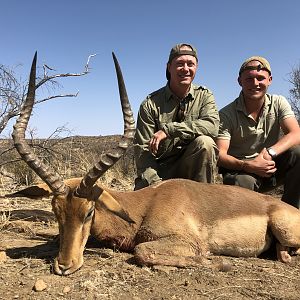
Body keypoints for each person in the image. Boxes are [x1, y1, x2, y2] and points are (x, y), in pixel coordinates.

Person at [217, 56, 300, 208]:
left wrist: (270, 153)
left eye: (260, 78)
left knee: (298, 153)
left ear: (270, 80)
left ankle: (292, 213)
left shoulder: (278, 102)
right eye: (249, 79)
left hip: (270, 167)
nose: (255, 83)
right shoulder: (226, 114)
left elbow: (296, 133)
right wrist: (247, 165)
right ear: (239, 81)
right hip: (241, 172)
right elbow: (220, 155)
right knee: (242, 182)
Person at [133, 43, 219, 190]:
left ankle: (203, 200)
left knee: (206, 143)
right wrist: (158, 186)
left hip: (191, 170)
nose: (185, 69)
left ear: (196, 67)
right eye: (179, 64)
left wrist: (169, 130)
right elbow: (143, 154)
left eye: (190, 64)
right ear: (169, 67)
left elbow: (212, 126)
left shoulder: (205, 95)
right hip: (159, 174)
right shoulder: (150, 104)